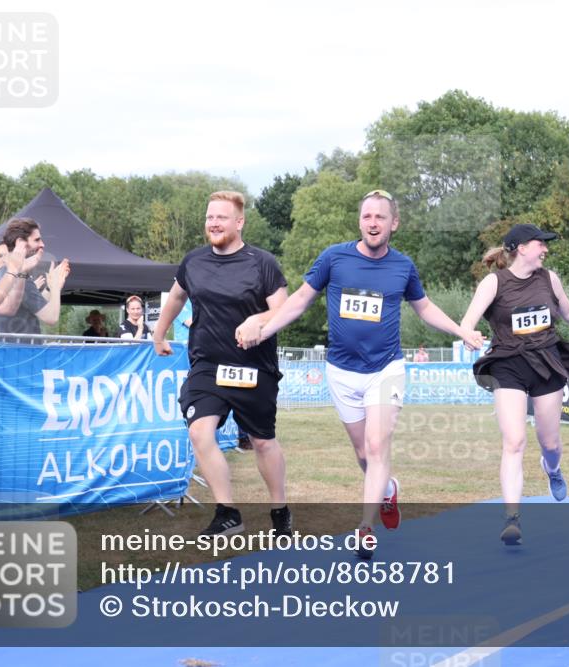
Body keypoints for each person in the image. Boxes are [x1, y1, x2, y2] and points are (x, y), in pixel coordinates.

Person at [239, 189, 483, 558]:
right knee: (362, 454)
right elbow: (299, 301)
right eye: (367, 216)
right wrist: (265, 329)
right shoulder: (333, 258)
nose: (373, 223)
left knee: (376, 445)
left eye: (380, 217)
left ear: (393, 224)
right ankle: (386, 490)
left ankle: (365, 529)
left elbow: (425, 308)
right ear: (360, 222)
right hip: (341, 371)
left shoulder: (403, 266)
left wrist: (461, 330)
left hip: (385, 369)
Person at [153, 190, 292, 537]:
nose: (213, 223)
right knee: (200, 430)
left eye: (221, 217)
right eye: (209, 217)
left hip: (253, 367)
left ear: (239, 222)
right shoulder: (194, 261)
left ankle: (280, 510)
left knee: (262, 442)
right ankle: (227, 512)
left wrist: (257, 320)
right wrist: (159, 332)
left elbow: (285, 310)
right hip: (207, 364)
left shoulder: (263, 263)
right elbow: (176, 296)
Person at [461, 223, 569, 545]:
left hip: (546, 362)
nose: (546, 249)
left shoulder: (549, 279)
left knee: (550, 443)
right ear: (521, 248)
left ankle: (552, 469)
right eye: (541, 244)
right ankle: (511, 518)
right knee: (513, 441)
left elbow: (567, 310)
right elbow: (468, 320)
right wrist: (469, 333)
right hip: (508, 364)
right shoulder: (493, 282)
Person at [174, 297, 253, 450]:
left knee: (235, 395)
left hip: (214, 354)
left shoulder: (207, 299)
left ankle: (243, 436)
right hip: (192, 357)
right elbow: (195, 324)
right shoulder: (183, 301)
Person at [0, 217, 70, 335]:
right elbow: (51, 318)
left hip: (12, 348)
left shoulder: (5, 271)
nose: (42, 245)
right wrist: (56, 287)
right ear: (20, 243)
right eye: (37, 240)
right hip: (23, 350)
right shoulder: (19, 276)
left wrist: (49, 288)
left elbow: (36, 305)